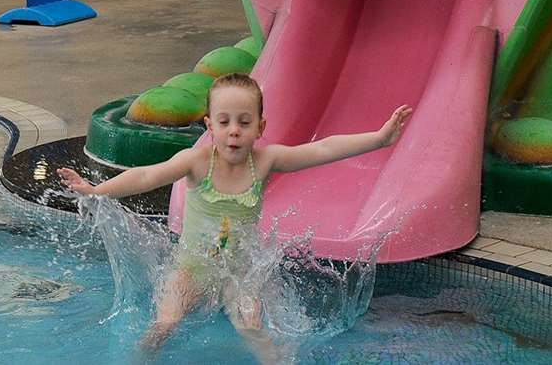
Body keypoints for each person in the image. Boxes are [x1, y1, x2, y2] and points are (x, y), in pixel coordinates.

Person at [58, 74, 412, 353]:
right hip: (191, 270)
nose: (234, 131)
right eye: (224, 122)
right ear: (210, 126)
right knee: (165, 325)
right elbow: (147, 175)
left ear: (261, 127)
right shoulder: (196, 162)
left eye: (244, 122)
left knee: (252, 327)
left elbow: (321, 149)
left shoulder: (266, 161)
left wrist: (378, 139)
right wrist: (96, 190)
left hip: (241, 270)